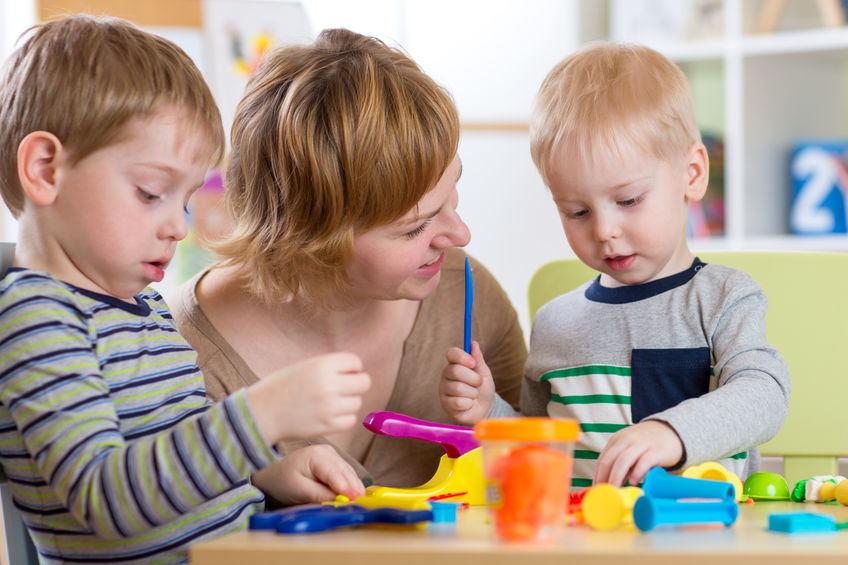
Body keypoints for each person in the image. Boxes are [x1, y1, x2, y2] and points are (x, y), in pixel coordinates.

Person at [0, 15, 370, 563]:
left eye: (187, 200)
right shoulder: (37, 320)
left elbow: (170, 453)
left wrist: (267, 470)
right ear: (46, 169)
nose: (179, 225)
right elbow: (108, 498)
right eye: (151, 193)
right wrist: (258, 415)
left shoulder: (143, 306)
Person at [170, 28, 527, 498]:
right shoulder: (178, 352)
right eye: (415, 226)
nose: (461, 235)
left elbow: (542, 473)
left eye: (452, 189)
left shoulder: (466, 294)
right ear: (309, 239)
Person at [439, 42, 791, 489]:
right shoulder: (554, 323)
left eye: (628, 200)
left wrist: (671, 433)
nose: (604, 230)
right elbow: (542, 446)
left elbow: (764, 395)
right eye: (576, 211)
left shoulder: (723, 298)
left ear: (692, 174)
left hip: (701, 539)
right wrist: (488, 409)